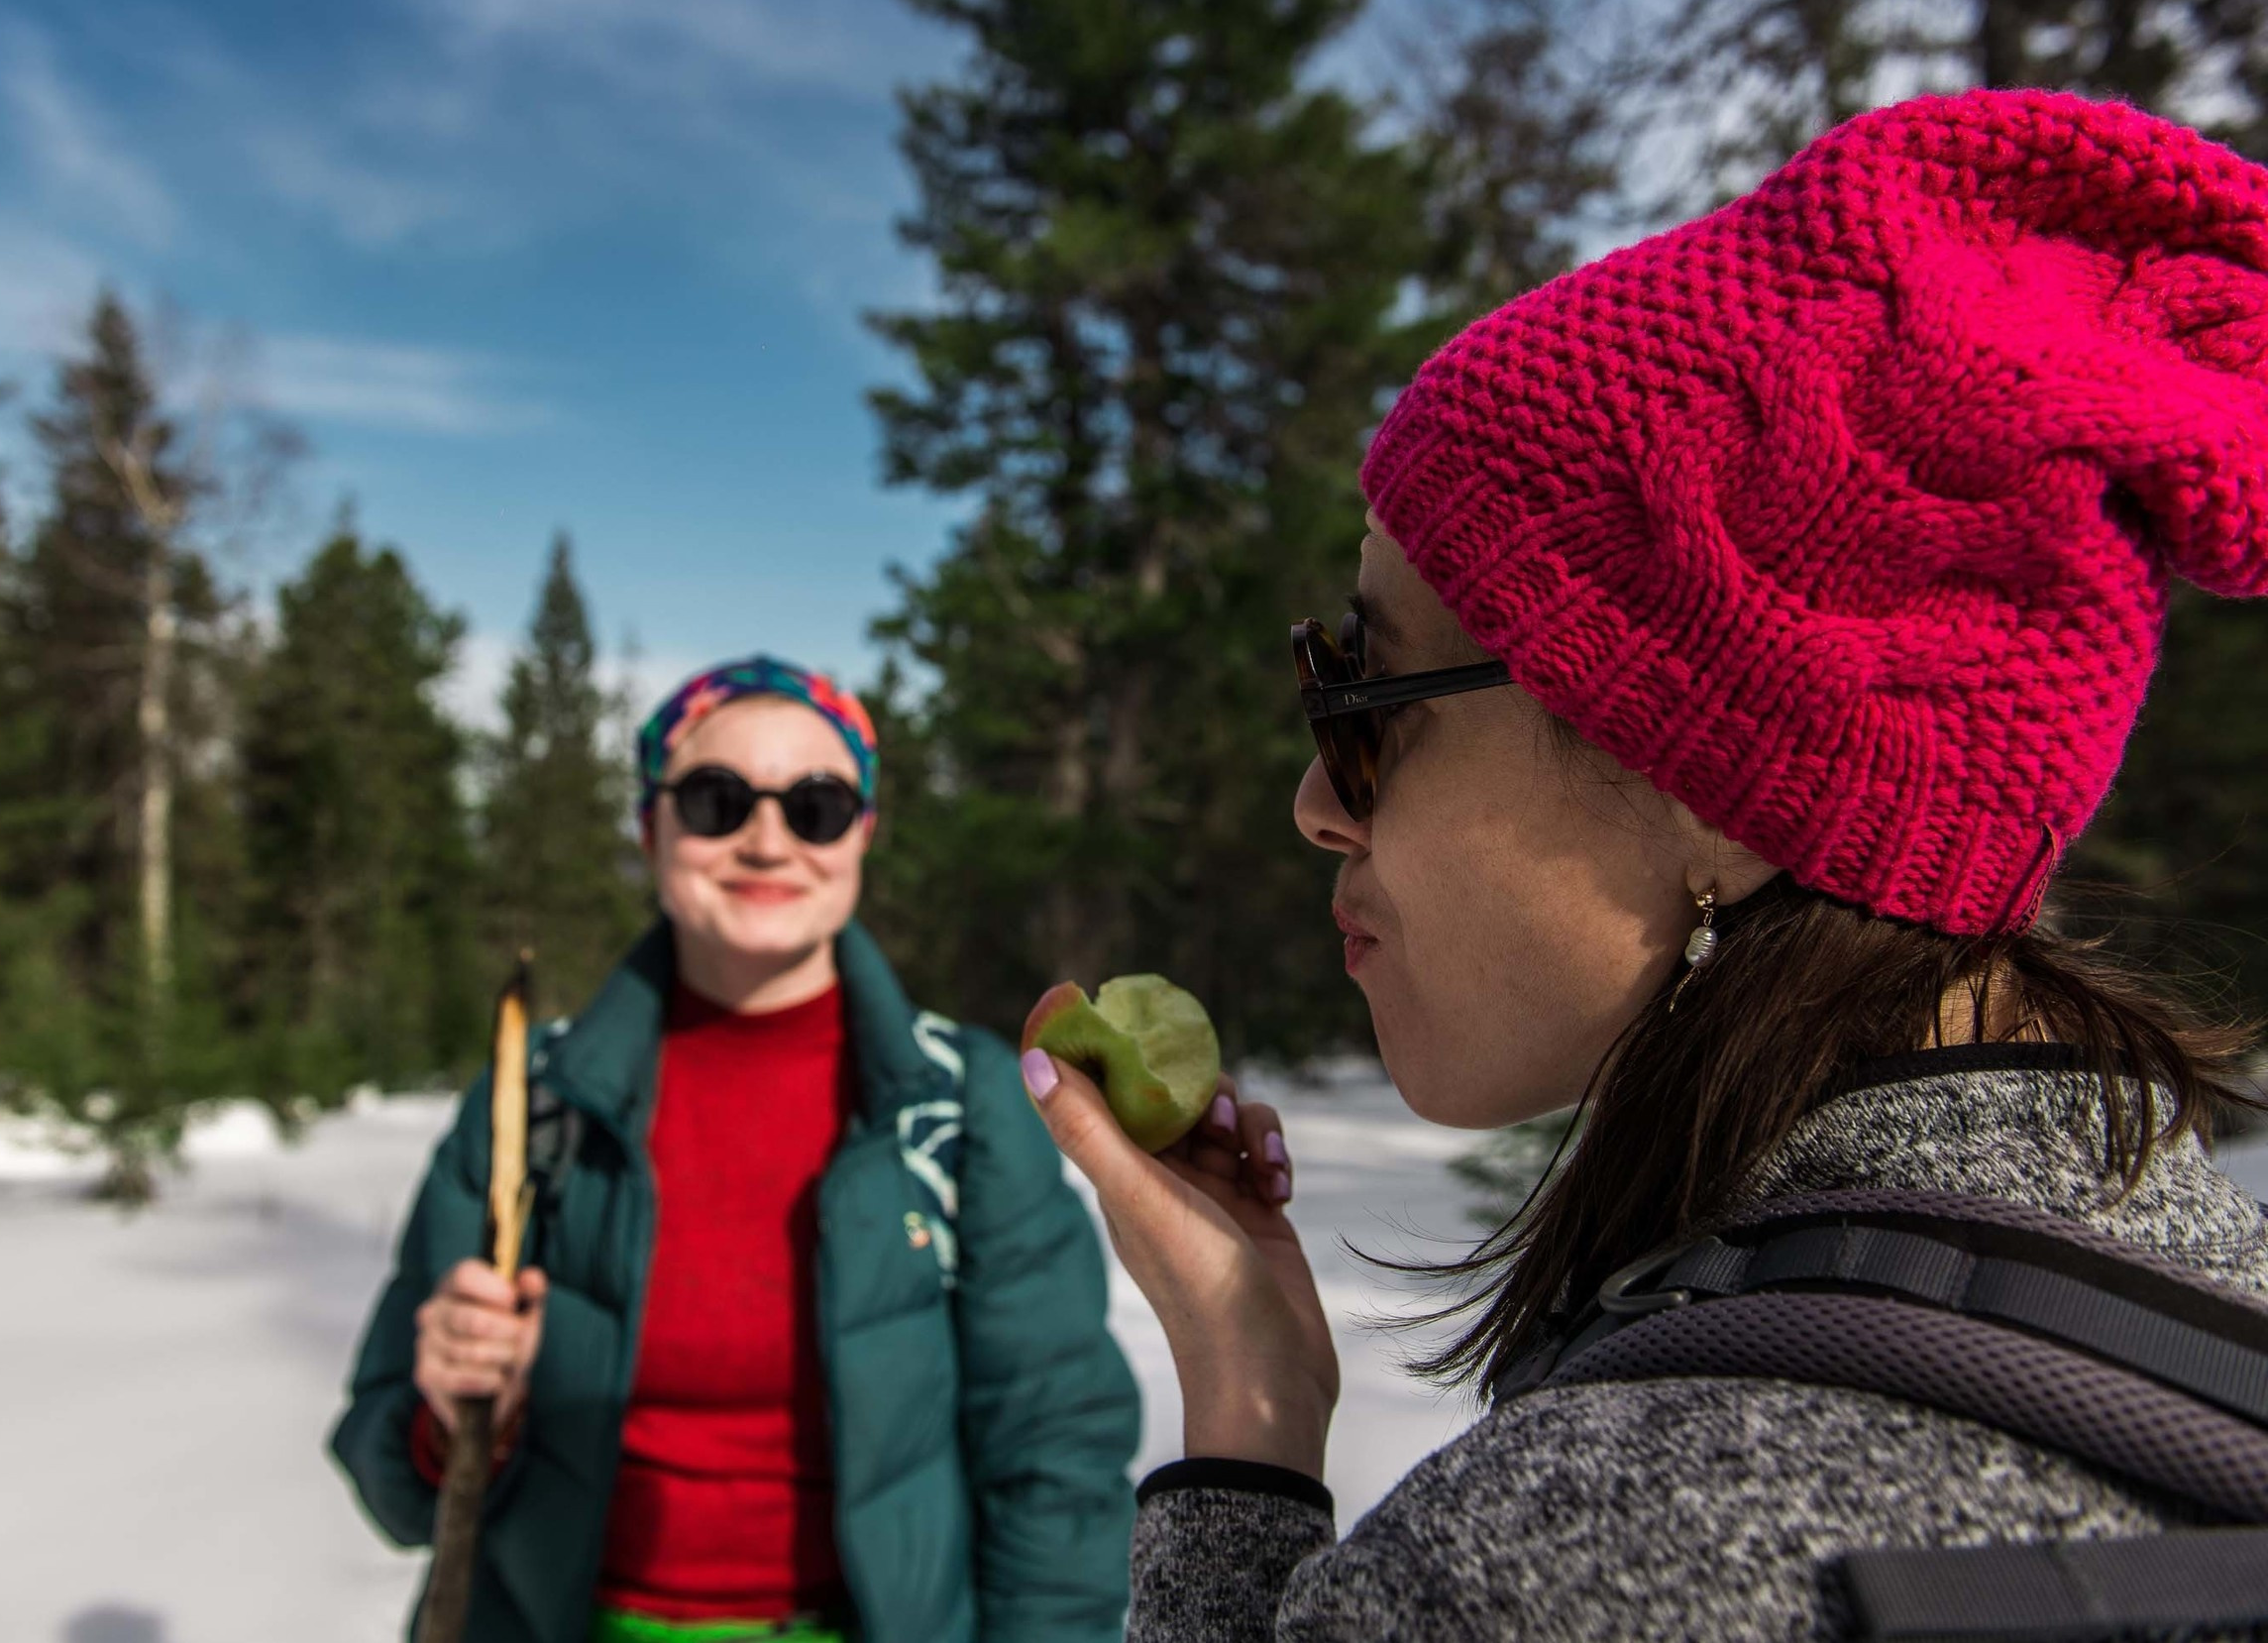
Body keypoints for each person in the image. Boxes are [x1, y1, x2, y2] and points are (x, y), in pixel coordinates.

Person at [1021, 88, 2268, 1639]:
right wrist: (1249, 1376)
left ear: (1732, 792)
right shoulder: (2201, 1287)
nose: (1315, 804)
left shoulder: (1572, 1564)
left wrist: (1240, 1476)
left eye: (1370, 697)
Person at [332, 655, 1139, 1643]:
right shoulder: (531, 1103)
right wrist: (458, 1418)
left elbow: (1054, 1451)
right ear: (650, 829)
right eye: (716, 801)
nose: (766, 840)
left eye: (816, 806)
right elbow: (390, 1477)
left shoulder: (960, 1105)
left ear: (862, 834)